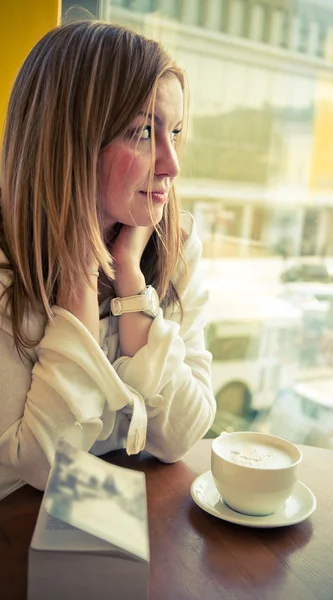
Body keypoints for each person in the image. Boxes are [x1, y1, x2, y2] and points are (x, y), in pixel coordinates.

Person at [0, 20, 216, 500]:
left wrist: (130, 280)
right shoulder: (7, 261)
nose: (172, 164)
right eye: (142, 131)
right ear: (68, 141)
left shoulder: (173, 242)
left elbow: (184, 432)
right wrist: (79, 276)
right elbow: (38, 465)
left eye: (174, 131)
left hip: (133, 525)